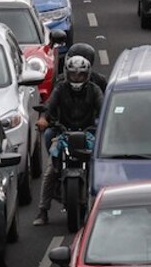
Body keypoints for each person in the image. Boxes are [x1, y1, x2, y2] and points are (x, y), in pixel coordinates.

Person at [33, 54, 103, 226]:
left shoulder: (94, 90)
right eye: (73, 74)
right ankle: (42, 211)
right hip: (63, 134)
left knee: (98, 167)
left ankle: (101, 208)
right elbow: (50, 105)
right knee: (51, 170)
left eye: (80, 75)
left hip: (88, 134)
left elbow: (103, 107)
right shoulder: (60, 88)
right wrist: (44, 119)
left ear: (87, 74)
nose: (76, 78)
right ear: (67, 73)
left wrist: (107, 122)